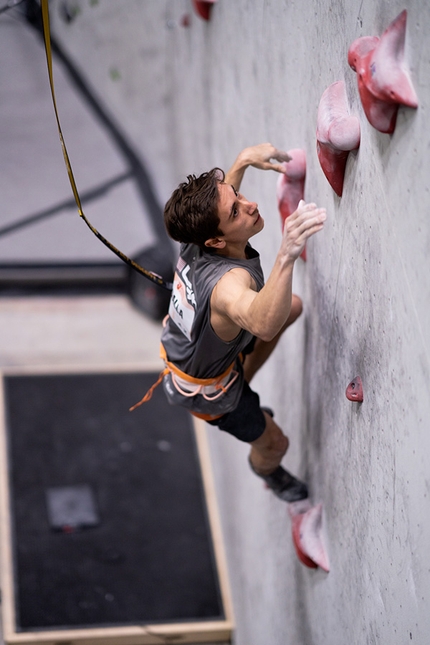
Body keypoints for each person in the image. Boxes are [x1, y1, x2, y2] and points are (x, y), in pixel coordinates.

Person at [147, 143, 326, 502]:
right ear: (215, 241)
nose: (251, 205)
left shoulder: (197, 237)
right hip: (208, 391)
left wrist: (243, 160)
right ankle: (268, 472)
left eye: (238, 195)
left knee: (290, 307)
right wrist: (287, 252)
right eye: (237, 211)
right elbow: (262, 324)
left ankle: (246, 376)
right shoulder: (229, 288)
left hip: (195, 348)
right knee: (276, 443)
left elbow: (220, 203)